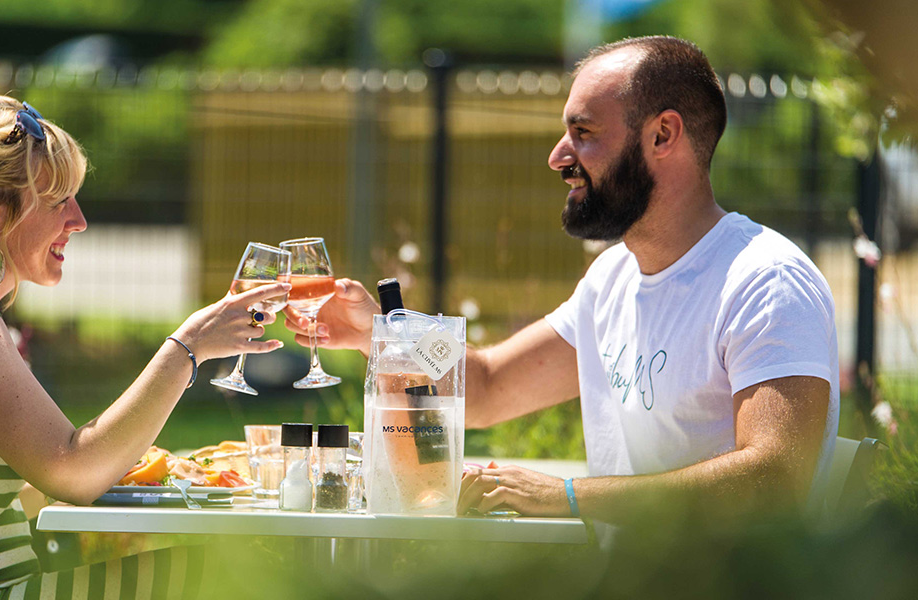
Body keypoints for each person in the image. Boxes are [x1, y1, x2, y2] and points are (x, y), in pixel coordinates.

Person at [286, 36, 838, 526]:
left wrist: (569, 496)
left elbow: (777, 478)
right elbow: (484, 388)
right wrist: (377, 334)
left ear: (663, 135)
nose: (557, 157)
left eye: (584, 133)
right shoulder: (612, 278)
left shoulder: (766, 281)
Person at [0, 88, 288, 600]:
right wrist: (188, 347)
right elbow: (71, 472)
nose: (78, 220)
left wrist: (137, 473)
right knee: (238, 573)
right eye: (57, 202)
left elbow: (43, 480)